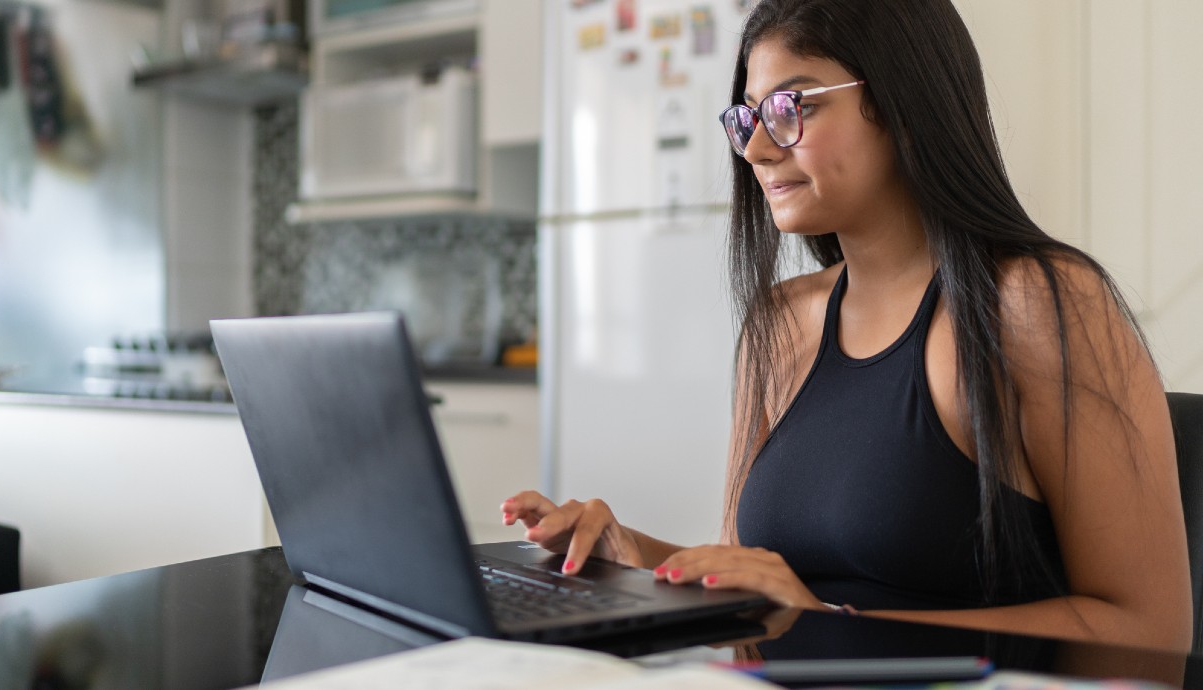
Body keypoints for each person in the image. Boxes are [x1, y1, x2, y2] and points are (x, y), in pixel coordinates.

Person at [502, 0, 1193, 653]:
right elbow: (747, 582)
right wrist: (627, 557)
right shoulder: (778, 325)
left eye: (790, 107)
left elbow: (1148, 630)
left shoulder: (1039, 307)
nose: (756, 151)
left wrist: (828, 625)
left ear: (902, 101)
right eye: (747, 118)